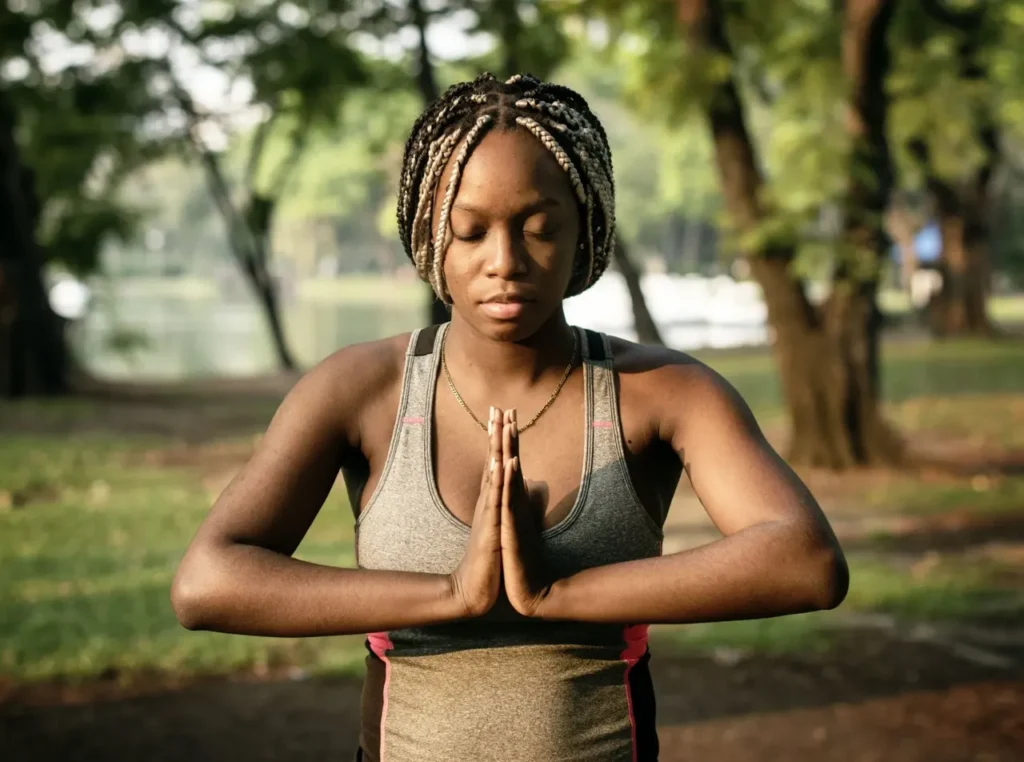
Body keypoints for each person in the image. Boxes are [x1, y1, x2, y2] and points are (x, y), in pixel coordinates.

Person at [171, 73, 849, 762]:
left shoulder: (661, 393)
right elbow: (206, 583)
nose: (506, 263)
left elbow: (806, 561)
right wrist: (451, 595)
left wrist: (561, 595)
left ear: (588, 227)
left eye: (539, 228)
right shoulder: (363, 391)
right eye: (470, 232)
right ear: (428, 235)